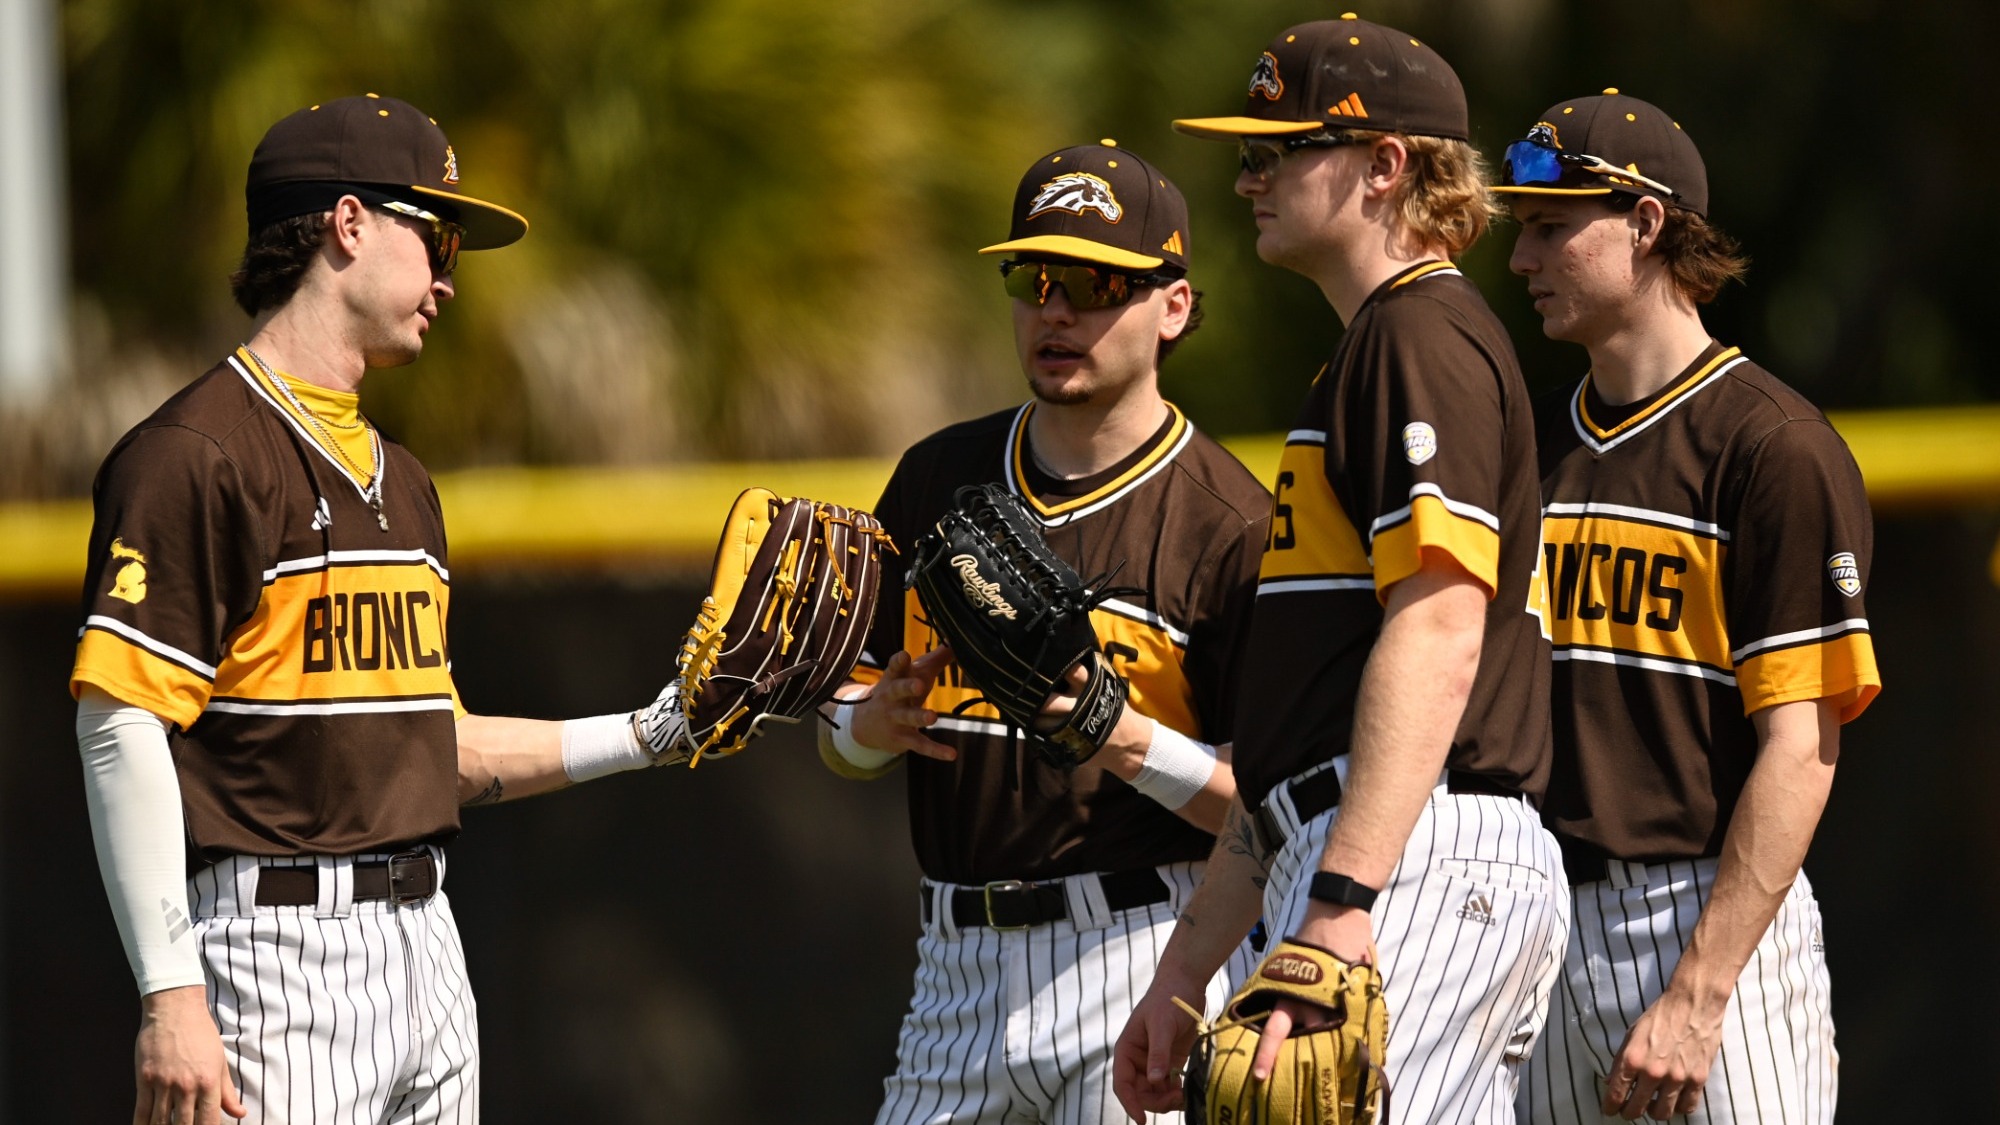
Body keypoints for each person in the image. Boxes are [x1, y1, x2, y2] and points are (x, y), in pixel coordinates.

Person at [70, 94, 694, 1125]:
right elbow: (119, 724)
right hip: (274, 958)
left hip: (426, 947)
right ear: (348, 224)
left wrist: (649, 732)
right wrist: (170, 993)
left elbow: (433, 747)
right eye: (436, 235)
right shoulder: (197, 452)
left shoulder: (405, 482)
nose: (449, 277)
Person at [1115, 15, 1570, 1122]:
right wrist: (1185, 972)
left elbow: (1439, 626)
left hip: (1409, 847)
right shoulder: (1372, 350)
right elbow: (1294, 749)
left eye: (1276, 152)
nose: (1247, 181)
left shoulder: (1418, 336)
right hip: (1361, 840)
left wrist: (1343, 899)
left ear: (1384, 167)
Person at [819, 140, 1270, 1124]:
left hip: (1142, 951)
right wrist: (865, 728)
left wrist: (1122, 741)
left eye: (1098, 281)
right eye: (1032, 276)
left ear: (1174, 305)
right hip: (952, 965)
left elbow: (1268, 815)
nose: (1056, 310)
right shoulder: (937, 475)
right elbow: (838, 731)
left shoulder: (1229, 521)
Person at [1493, 90, 1880, 1124]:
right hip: (1531, 922)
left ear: (1647, 224)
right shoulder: (1524, 446)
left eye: (1548, 226)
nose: (1521, 259)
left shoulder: (1770, 448)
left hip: (1701, 922)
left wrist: (1699, 992)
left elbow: (1799, 748)